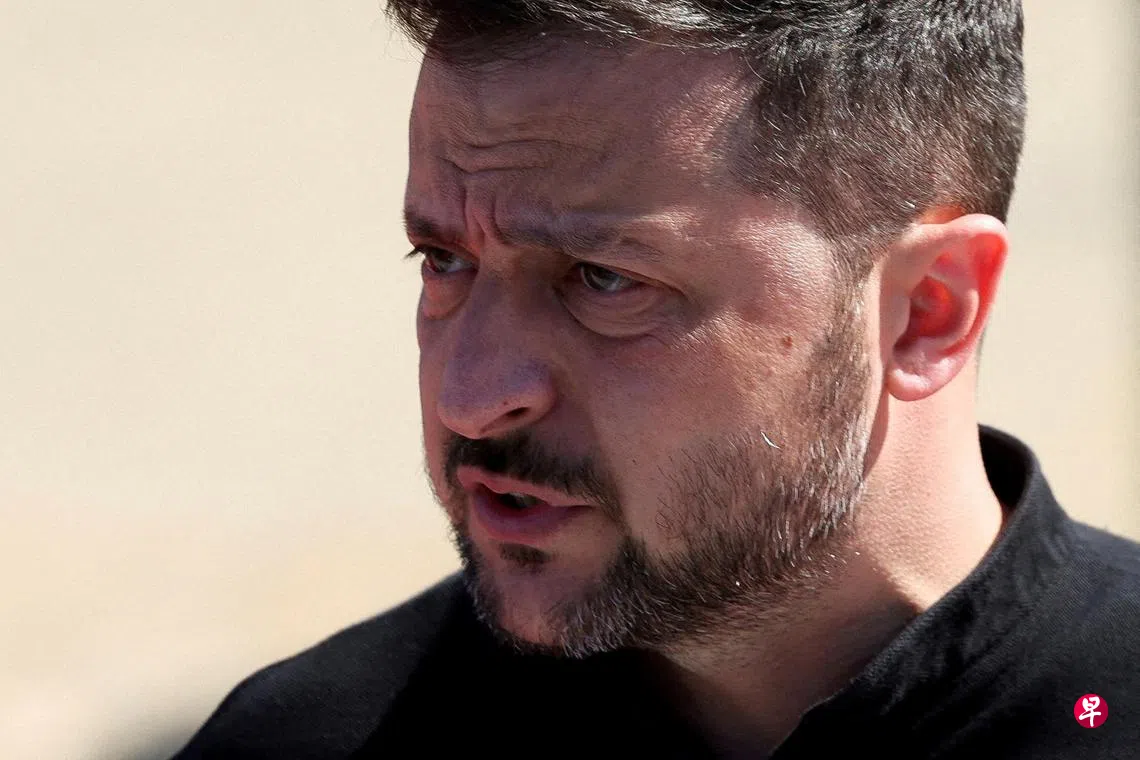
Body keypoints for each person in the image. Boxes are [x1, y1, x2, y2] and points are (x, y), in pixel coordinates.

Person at [172, 2, 1140, 758]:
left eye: (604, 281)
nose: (470, 394)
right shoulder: (308, 740)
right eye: (444, 260)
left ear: (927, 309)